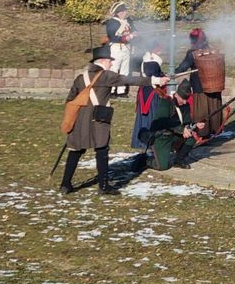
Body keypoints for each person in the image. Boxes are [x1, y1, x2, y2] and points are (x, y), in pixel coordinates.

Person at [59, 45, 167, 194]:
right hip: (98, 118)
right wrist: (154, 80)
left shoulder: (80, 77)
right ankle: (104, 186)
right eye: (110, 61)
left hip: (80, 119)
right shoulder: (106, 75)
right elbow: (129, 80)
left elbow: (70, 99)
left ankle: (65, 184)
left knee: (75, 151)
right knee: (102, 150)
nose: (111, 63)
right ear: (103, 61)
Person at [144, 78, 206, 170]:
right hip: (161, 138)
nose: (185, 102)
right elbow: (162, 122)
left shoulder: (185, 105)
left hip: (174, 135)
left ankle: (179, 160)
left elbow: (186, 123)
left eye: (187, 99)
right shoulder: (166, 103)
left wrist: (195, 125)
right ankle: (146, 161)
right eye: (183, 99)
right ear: (176, 94)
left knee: (191, 137)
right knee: (162, 167)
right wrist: (182, 129)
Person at [176, 28, 224, 139]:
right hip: (214, 86)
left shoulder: (193, 53)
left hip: (200, 87)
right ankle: (213, 131)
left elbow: (183, 67)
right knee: (213, 108)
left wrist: (172, 73)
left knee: (201, 111)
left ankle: (202, 134)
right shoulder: (211, 50)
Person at [131, 47, 166, 149]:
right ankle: (147, 141)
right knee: (151, 115)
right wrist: (161, 78)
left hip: (145, 90)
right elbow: (151, 77)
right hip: (151, 91)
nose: (161, 51)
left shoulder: (148, 61)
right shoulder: (152, 62)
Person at [105, 2, 136, 96]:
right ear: (117, 13)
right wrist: (127, 37)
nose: (124, 13)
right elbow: (113, 36)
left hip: (126, 48)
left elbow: (134, 30)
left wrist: (134, 34)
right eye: (121, 12)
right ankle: (111, 90)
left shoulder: (128, 21)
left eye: (124, 11)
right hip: (116, 47)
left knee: (125, 70)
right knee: (114, 69)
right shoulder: (112, 22)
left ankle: (121, 91)